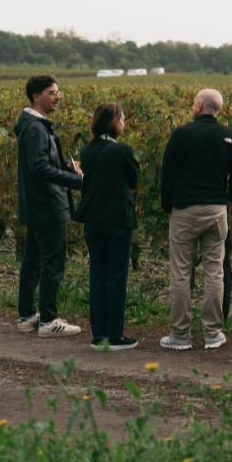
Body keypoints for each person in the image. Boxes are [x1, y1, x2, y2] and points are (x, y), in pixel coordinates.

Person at [159, 88, 232, 350]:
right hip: (217, 210)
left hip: (184, 209)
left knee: (181, 273)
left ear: (198, 105)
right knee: (215, 272)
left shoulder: (182, 134)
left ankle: (181, 335)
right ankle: (212, 333)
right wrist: (231, 197)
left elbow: (167, 174)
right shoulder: (230, 136)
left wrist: (167, 205)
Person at [15, 74, 84, 338]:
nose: (57, 96)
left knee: (32, 261)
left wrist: (63, 167)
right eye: (52, 92)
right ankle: (49, 320)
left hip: (37, 203)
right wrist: (75, 179)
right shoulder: (35, 128)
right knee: (52, 262)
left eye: (58, 92)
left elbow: (41, 165)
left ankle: (27, 317)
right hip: (47, 204)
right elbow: (40, 168)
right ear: (36, 96)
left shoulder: (35, 125)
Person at [73, 102, 140, 352]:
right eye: (122, 119)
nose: (124, 123)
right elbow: (133, 181)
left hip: (93, 220)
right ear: (114, 123)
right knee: (117, 277)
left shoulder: (86, 150)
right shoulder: (123, 150)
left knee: (97, 276)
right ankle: (114, 336)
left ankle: (98, 336)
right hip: (118, 221)